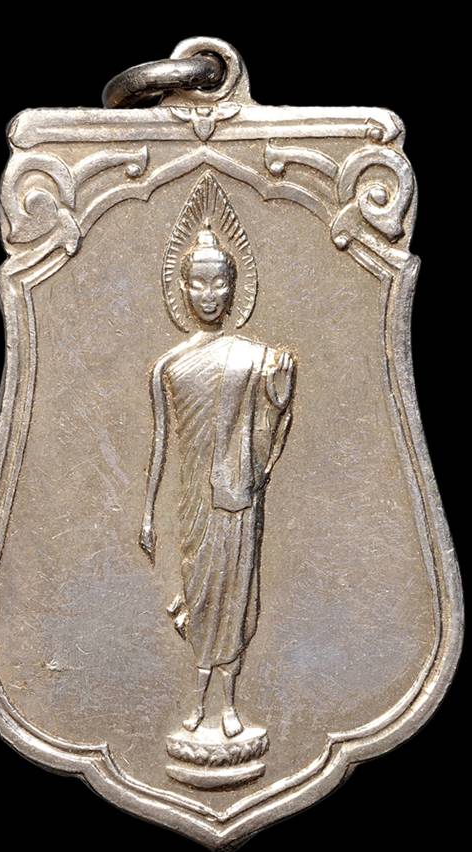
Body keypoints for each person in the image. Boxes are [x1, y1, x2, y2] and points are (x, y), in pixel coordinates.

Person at [140, 221, 295, 738]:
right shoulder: (168, 366)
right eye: (199, 283)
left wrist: (278, 396)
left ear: (233, 288)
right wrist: (147, 514)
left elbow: (270, 427)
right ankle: (197, 699)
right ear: (183, 288)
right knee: (202, 594)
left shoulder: (255, 358)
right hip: (194, 502)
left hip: (237, 496)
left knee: (237, 594)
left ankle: (228, 705)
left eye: (219, 283)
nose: (208, 295)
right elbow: (160, 443)